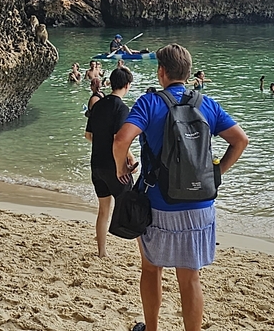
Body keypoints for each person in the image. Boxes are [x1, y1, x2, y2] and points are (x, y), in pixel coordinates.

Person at [113, 44, 249, 331]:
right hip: (200, 204)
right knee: (190, 278)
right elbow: (240, 141)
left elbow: (120, 140)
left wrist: (120, 167)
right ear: (187, 73)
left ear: (161, 72)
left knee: (151, 269)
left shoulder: (149, 103)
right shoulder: (207, 104)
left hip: (159, 205)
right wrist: (216, 173)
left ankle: (151, 329)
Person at [85, 66, 137, 257]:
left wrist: (103, 142)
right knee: (134, 206)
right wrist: (127, 161)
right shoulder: (122, 108)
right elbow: (119, 139)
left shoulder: (97, 104)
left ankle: (102, 252)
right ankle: (143, 250)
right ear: (127, 85)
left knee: (103, 210)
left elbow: (88, 135)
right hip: (114, 167)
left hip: (96, 165)